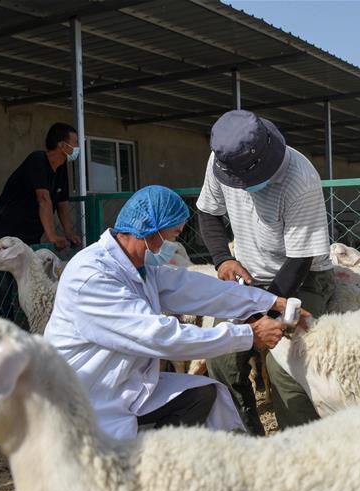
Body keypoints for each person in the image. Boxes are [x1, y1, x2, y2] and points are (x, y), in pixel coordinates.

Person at [43, 185, 296, 440]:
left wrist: (270, 302)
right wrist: (249, 335)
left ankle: (160, 453)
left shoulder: (137, 269)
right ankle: (149, 457)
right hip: (85, 395)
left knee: (202, 394)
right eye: (172, 236)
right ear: (149, 230)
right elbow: (160, 336)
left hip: (121, 386)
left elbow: (196, 288)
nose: (173, 245)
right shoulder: (93, 277)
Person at [197, 110, 335, 435]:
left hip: (300, 279)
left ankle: (301, 446)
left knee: (285, 363)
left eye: (248, 181)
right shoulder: (222, 161)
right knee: (220, 356)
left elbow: (300, 260)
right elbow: (207, 212)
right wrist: (223, 260)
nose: (243, 189)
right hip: (248, 277)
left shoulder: (300, 179)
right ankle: (246, 440)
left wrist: (262, 315)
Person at [0, 122, 83, 320]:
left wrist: (68, 232)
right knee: (4, 283)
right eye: (75, 142)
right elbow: (43, 199)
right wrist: (52, 235)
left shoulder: (61, 168)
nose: (77, 147)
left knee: (31, 280)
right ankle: (5, 323)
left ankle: (35, 319)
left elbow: (62, 203)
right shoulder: (37, 160)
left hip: (29, 234)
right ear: (62, 145)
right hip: (5, 231)